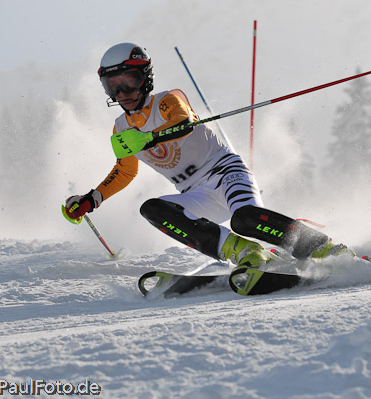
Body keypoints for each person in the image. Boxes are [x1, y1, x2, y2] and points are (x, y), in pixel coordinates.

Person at [64, 42, 349, 269]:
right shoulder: (120, 129)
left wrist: (150, 137)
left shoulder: (166, 101)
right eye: (113, 85)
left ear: (145, 78)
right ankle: (245, 252)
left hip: (225, 173)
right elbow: (125, 171)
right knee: (152, 209)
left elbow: (182, 124)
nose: (122, 92)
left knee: (245, 219)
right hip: (195, 193)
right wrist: (91, 200)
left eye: (129, 81)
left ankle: (324, 248)